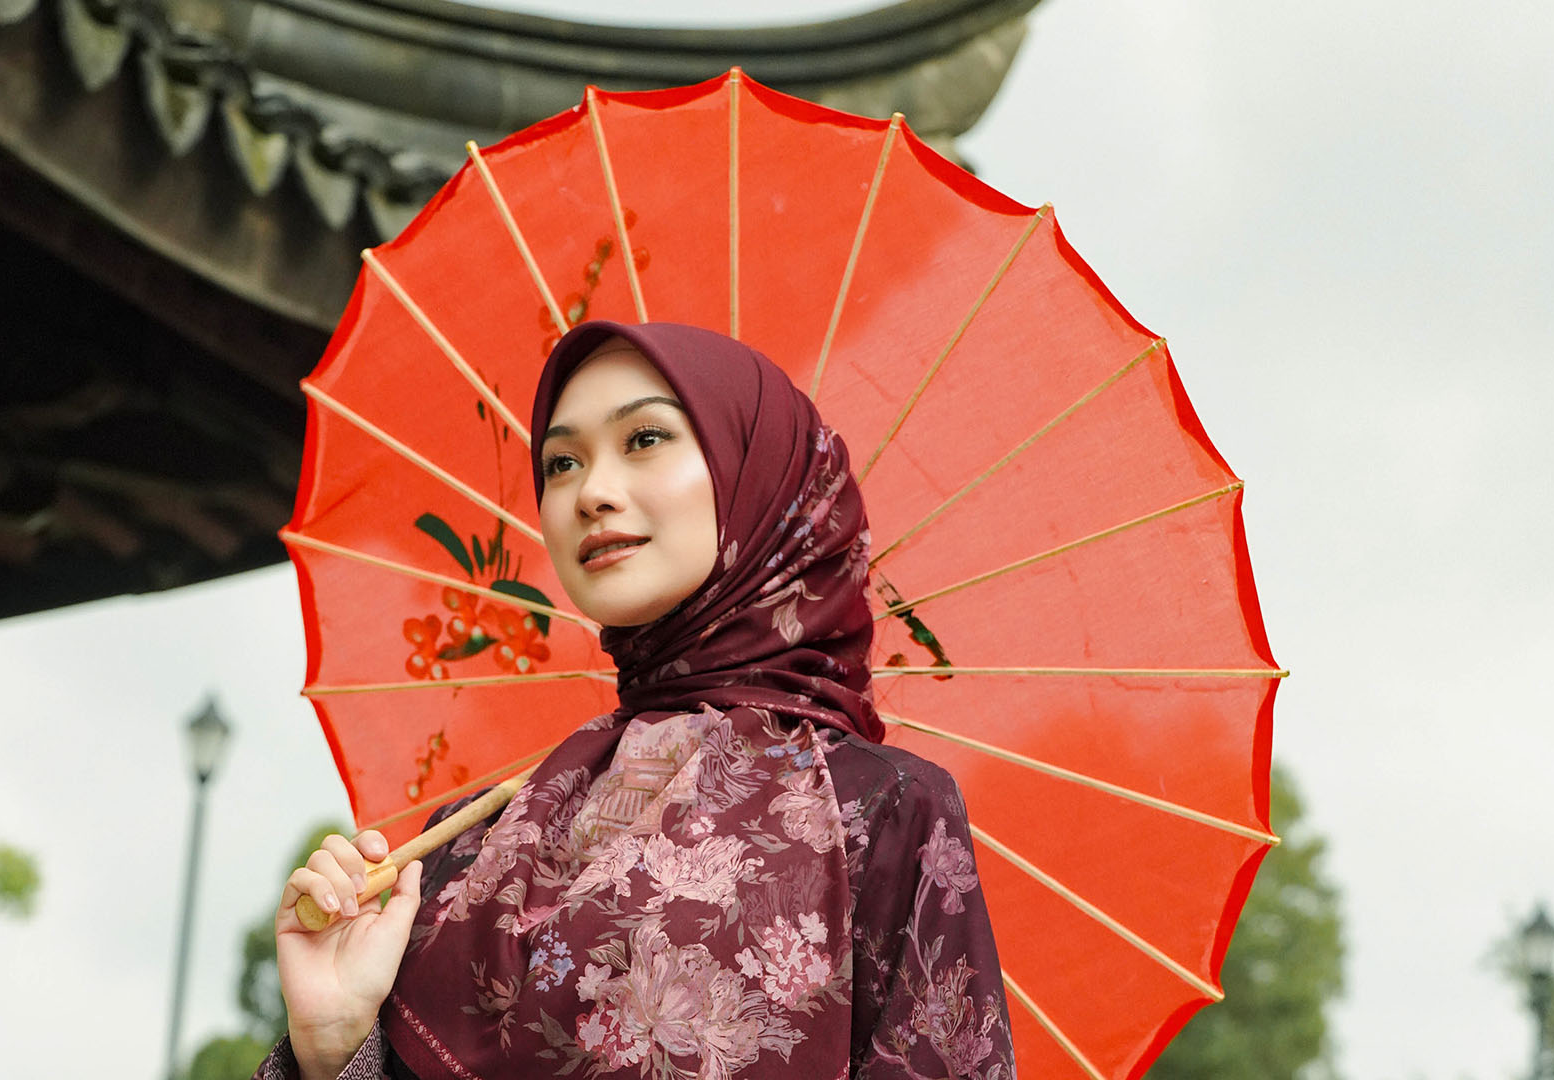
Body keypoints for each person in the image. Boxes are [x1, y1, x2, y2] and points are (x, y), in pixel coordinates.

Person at [259, 322, 1015, 1080]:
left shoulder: (882, 814)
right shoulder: (472, 847)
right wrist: (331, 1045)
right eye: (561, 462)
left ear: (757, 473)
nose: (591, 493)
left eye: (645, 439)